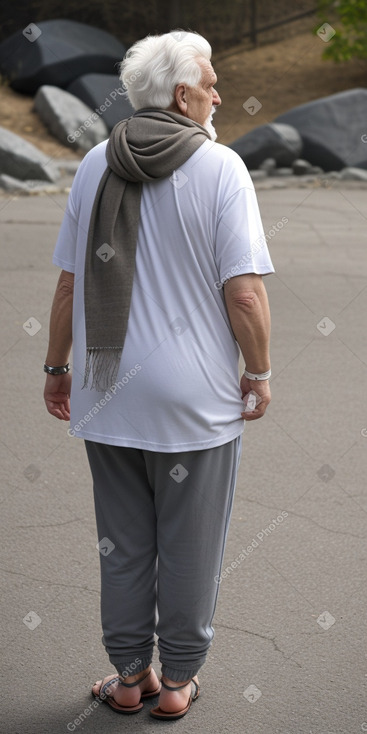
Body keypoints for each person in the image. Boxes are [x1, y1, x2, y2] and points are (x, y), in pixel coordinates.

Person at [44, 30, 274, 720]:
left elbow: (67, 287)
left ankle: (125, 677)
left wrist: (57, 368)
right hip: (193, 401)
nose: (218, 95)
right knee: (189, 547)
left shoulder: (92, 164)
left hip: (107, 389)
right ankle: (175, 682)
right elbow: (243, 293)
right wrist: (259, 371)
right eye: (210, 83)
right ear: (182, 95)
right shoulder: (220, 168)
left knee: (122, 545)